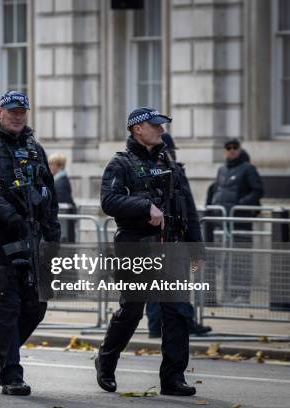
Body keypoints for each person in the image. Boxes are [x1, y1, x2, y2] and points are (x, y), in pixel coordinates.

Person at [95, 107, 205, 396]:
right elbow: (109, 201)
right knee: (132, 311)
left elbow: (189, 209)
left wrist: (196, 248)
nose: (162, 130)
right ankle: (105, 360)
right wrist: (144, 207)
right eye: (155, 126)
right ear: (137, 129)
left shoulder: (170, 163)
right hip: (136, 246)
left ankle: (173, 378)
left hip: (172, 247)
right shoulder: (120, 164)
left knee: (178, 313)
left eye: (162, 125)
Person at [0, 91, 61, 396]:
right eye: (12, 111)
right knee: (8, 304)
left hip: (31, 238)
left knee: (37, 305)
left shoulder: (34, 147)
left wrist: (53, 234)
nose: (18, 116)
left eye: (22, 112)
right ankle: (11, 374)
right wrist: (8, 214)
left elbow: (48, 192)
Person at [146, 133, 211, 338]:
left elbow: (189, 212)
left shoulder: (176, 172)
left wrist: (196, 248)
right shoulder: (140, 170)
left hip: (172, 237)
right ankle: (167, 324)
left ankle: (167, 324)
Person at [211, 138, 263, 302]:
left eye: (235, 147)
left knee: (241, 258)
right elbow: (216, 190)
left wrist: (239, 206)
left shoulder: (248, 169)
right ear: (224, 150)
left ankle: (242, 295)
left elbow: (257, 191)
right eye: (228, 147)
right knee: (224, 260)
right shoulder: (221, 170)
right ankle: (227, 294)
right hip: (223, 222)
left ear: (240, 149)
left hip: (240, 222)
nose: (232, 150)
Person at [48, 153, 77, 242]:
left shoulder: (60, 182)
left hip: (64, 227)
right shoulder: (59, 180)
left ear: (59, 166)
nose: (49, 167)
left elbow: (62, 205)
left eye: (51, 164)